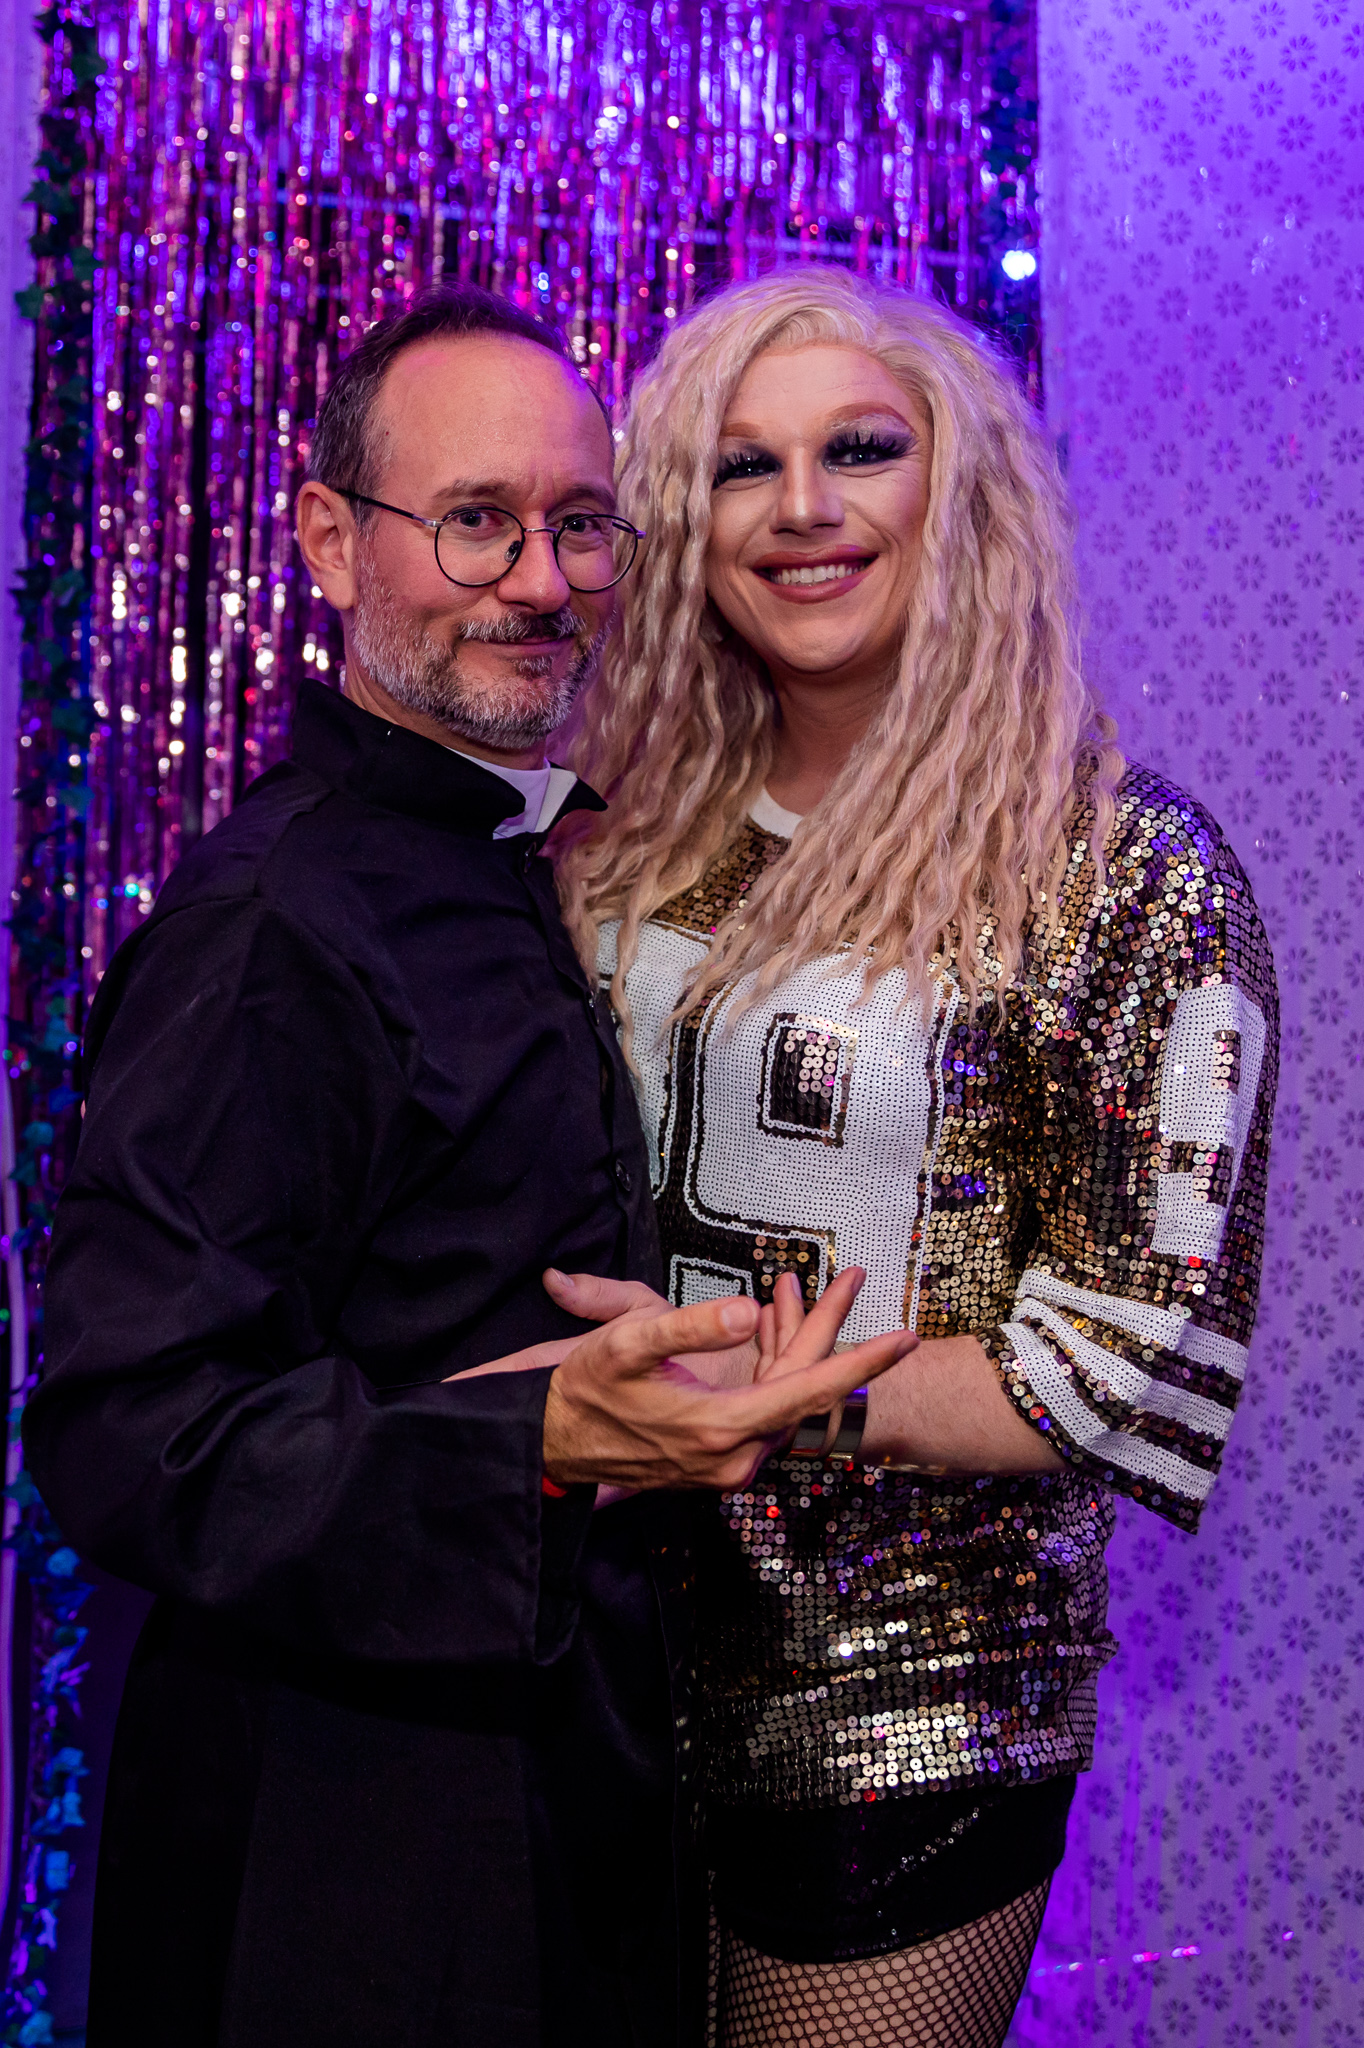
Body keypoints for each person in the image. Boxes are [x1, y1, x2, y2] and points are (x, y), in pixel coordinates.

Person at [22, 282, 909, 2048]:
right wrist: (545, 1441)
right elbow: (127, 1434)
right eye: (477, 522)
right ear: (331, 544)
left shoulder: (514, 858)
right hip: (339, 1850)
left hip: (544, 1794)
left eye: (580, 524)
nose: (541, 579)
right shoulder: (274, 930)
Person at [554, 268, 1278, 2047]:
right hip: (589, 1665)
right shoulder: (614, 845)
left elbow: (1123, 1358)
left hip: (910, 1702)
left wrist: (754, 1401)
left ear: (965, 494)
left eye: (861, 450)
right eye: (744, 466)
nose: (802, 507)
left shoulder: (1122, 872)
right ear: (684, 527)